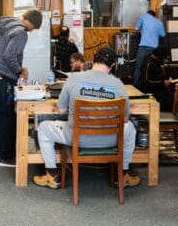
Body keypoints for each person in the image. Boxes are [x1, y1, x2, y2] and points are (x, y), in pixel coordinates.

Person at [33, 48, 140, 189]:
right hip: (111, 139)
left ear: (93, 60)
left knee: (43, 128)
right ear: (113, 65)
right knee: (130, 128)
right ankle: (122, 175)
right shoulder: (118, 85)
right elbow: (125, 119)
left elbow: (62, 110)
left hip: (77, 137)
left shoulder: (74, 79)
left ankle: (52, 176)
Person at [0, 9, 43, 167]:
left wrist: (18, 67)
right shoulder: (20, 32)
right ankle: (5, 157)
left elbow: (4, 53)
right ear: (30, 22)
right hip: (4, 77)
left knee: (0, 115)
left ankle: (3, 154)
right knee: (7, 116)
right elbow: (9, 55)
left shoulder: (6, 25)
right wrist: (19, 70)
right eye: (34, 28)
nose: (31, 31)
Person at [134, 10, 165, 88]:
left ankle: (137, 87)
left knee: (139, 67)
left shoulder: (143, 18)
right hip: (153, 50)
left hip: (143, 47)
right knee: (152, 67)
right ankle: (151, 86)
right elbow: (163, 34)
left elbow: (136, 28)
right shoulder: (159, 22)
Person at [138, 46, 174, 112]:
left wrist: (167, 77)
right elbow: (146, 81)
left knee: (171, 99)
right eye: (164, 58)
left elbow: (159, 75)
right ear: (160, 56)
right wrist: (163, 83)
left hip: (157, 89)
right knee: (169, 102)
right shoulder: (148, 64)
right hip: (149, 92)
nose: (164, 61)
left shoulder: (156, 62)